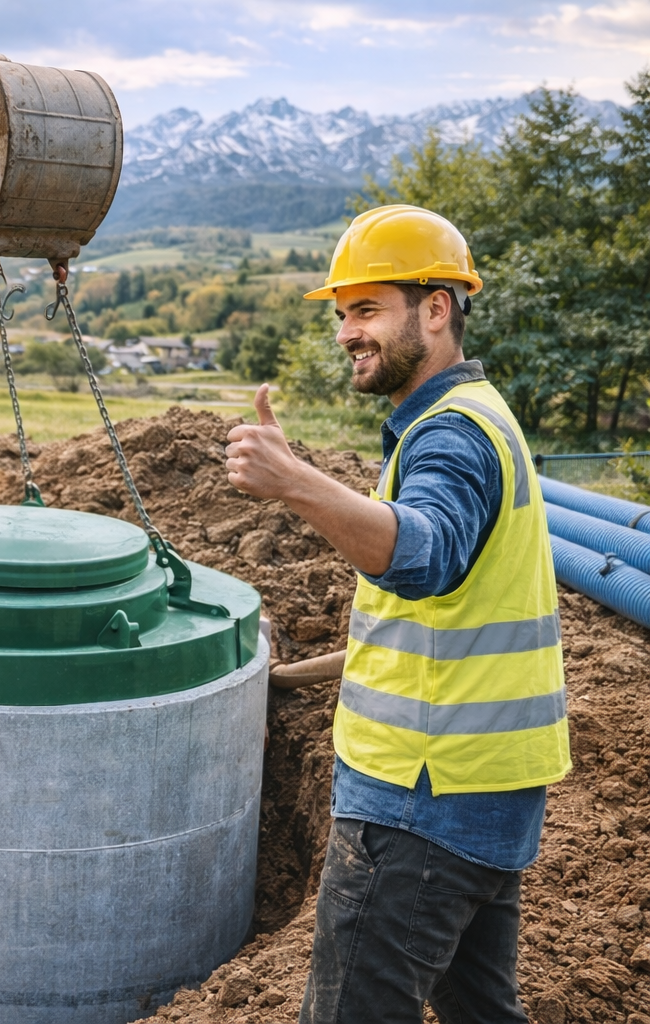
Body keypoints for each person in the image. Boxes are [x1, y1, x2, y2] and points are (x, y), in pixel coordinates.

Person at [225, 204, 570, 1024]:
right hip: (487, 789)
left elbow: (422, 557)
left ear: (437, 309)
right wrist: (291, 678)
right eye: (344, 313)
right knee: (482, 1009)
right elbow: (439, 622)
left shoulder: (450, 437)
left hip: (421, 796)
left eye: (368, 308)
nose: (348, 332)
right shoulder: (478, 415)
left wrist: (296, 481)